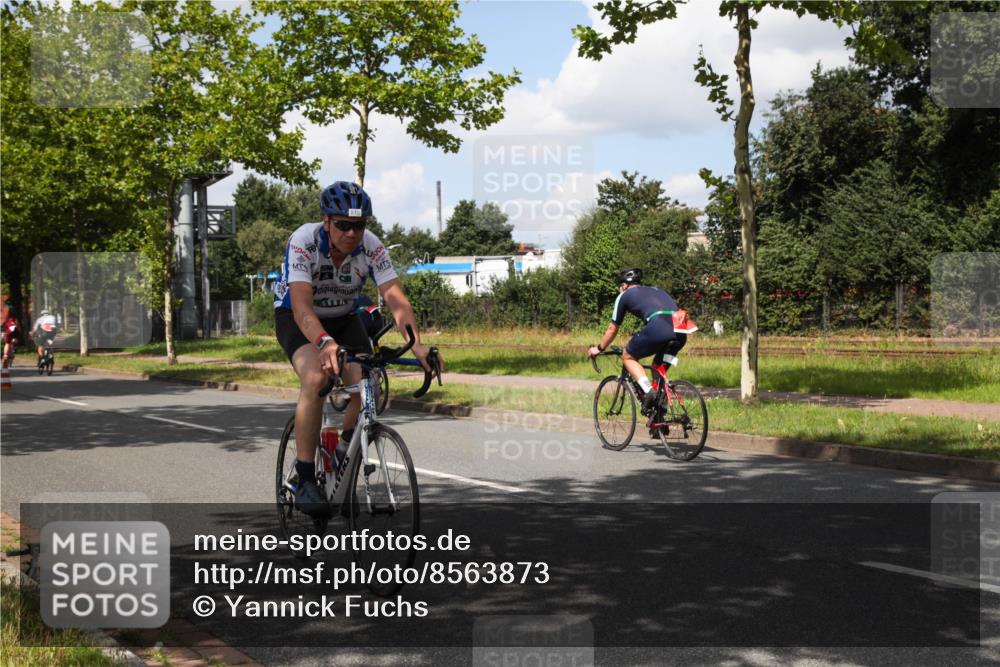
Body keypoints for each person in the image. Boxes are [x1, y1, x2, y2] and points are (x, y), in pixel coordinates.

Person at [273, 181, 441, 518]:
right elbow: (303, 307)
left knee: (369, 382)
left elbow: (396, 298)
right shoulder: (304, 241)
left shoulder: (372, 246)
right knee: (316, 377)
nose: (352, 233)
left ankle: (344, 452)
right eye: (344, 225)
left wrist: (418, 345)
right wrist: (324, 343)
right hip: (298, 318)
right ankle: (305, 476)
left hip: (344, 317)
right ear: (327, 222)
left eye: (359, 225)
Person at [588, 268, 695, 414]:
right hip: (681, 331)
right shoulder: (658, 290)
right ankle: (659, 413)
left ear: (624, 285)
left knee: (628, 356)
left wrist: (599, 348)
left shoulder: (624, 295)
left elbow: (612, 329)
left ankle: (648, 390)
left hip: (659, 327)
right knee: (658, 366)